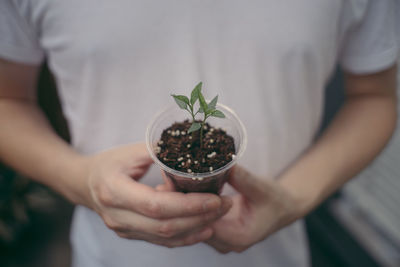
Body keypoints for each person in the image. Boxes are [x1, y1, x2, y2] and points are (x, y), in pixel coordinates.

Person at [0, 0, 398, 266]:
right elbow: (8, 100)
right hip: (109, 256)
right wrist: (81, 181)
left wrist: (291, 199)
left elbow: (375, 97)